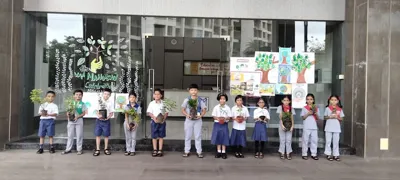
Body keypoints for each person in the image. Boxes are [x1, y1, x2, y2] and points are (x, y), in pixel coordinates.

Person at [181, 84, 207, 158]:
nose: (193, 91)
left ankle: (199, 152)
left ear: (197, 91)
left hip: (198, 120)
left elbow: (204, 110)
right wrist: (187, 115)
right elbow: (182, 110)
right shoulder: (186, 100)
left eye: (195, 90)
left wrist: (201, 115)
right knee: (187, 136)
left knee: (198, 136)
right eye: (192, 90)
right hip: (188, 120)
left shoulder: (200, 100)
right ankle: (186, 151)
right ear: (189, 91)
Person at [62, 89, 87, 155]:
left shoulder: (83, 104)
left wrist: (77, 117)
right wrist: (68, 115)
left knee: (79, 135)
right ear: (74, 96)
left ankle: (79, 149)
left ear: (82, 96)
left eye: (80, 95)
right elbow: (68, 112)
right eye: (76, 94)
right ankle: (68, 149)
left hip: (79, 121)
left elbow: (84, 113)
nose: (78, 96)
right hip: (71, 121)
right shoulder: (71, 103)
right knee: (70, 135)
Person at [146, 89, 168, 157]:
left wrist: (164, 118)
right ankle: (155, 149)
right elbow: (149, 112)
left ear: (161, 95)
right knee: (154, 136)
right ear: (153, 95)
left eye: (158, 94)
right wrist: (154, 117)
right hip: (154, 121)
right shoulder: (151, 103)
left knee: (161, 136)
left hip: (162, 122)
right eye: (155, 94)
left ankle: (160, 150)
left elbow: (166, 112)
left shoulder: (164, 103)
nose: (157, 95)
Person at [93, 88, 114, 156]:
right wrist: (98, 115)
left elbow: (111, 113)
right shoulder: (99, 101)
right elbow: (96, 110)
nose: (106, 95)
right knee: (98, 135)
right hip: (98, 121)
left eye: (108, 94)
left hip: (106, 121)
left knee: (106, 135)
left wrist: (107, 117)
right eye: (105, 94)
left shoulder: (110, 103)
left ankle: (106, 149)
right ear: (102, 94)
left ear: (110, 95)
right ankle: (97, 149)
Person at [211, 93, 232, 159]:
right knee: (218, 137)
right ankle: (218, 151)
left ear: (226, 100)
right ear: (219, 100)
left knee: (224, 137)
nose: (222, 100)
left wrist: (225, 119)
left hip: (224, 125)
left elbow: (229, 117)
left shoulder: (228, 108)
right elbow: (214, 116)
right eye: (221, 99)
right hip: (217, 124)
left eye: (224, 99)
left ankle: (223, 152)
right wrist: (218, 118)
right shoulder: (216, 107)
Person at [324, 95, 344, 161]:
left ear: (338, 101)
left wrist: (337, 117)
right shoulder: (327, 108)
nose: (333, 101)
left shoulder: (339, 109)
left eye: (335, 100)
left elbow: (342, 118)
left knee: (336, 141)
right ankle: (328, 154)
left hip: (336, 127)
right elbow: (325, 117)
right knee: (328, 141)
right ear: (330, 101)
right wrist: (330, 116)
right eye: (332, 100)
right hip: (328, 127)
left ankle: (336, 155)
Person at [301, 93, 320, 160]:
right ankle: (304, 154)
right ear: (306, 100)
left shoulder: (316, 108)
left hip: (314, 126)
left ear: (313, 100)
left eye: (311, 99)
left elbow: (318, 118)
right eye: (308, 99)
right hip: (306, 126)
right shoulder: (304, 108)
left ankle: (314, 154)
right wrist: (308, 113)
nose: (309, 101)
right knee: (305, 140)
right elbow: (303, 117)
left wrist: (315, 113)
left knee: (314, 140)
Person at [276, 95, 295, 160]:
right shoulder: (280, 107)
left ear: (289, 101)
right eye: (284, 100)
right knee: (282, 140)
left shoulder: (291, 108)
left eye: (287, 100)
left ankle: (288, 153)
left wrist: (292, 125)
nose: (286, 102)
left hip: (289, 125)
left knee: (289, 140)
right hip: (282, 125)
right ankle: (282, 152)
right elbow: (280, 117)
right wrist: (282, 125)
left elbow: (292, 117)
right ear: (282, 101)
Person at [124, 91, 141, 156]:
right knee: (128, 137)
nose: (132, 98)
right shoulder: (127, 106)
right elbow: (126, 115)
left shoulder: (138, 107)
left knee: (133, 137)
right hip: (127, 122)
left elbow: (138, 116)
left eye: (133, 97)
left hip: (134, 123)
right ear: (128, 98)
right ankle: (128, 149)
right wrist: (127, 124)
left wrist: (136, 124)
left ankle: (132, 150)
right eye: (130, 97)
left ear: (135, 98)